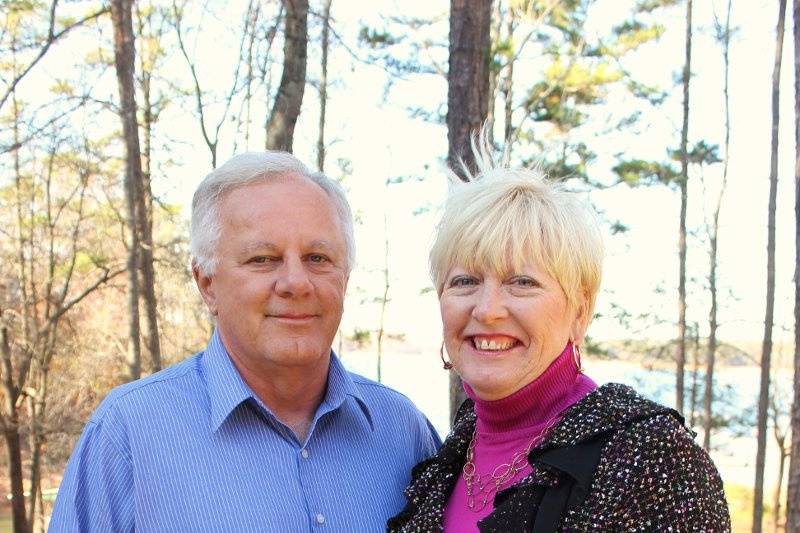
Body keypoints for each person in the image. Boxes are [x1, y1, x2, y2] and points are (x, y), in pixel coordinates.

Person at [50, 151, 439, 532]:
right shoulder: (130, 434)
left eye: (317, 258)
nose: (296, 283)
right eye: (262, 259)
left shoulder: (403, 432)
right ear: (207, 284)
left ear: (346, 277)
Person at [388, 148, 730, 532]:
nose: (487, 310)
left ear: (579, 313)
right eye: (465, 281)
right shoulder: (444, 464)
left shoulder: (651, 461)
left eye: (522, 282)